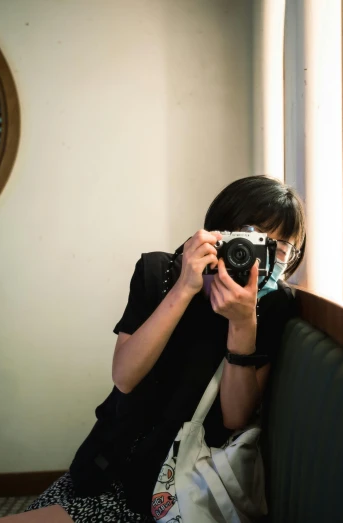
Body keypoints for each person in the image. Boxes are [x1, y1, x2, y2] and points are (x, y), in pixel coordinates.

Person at [27, 175, 306, 522]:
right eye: (254, 238)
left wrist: (242, 323)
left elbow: (235, 417)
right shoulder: (158, 271)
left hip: (184, 485)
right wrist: (185, 288)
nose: (259, 256)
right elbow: (125, 377)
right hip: (110, 461)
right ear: (220, 233)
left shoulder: (275, 306)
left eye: (280, 248)